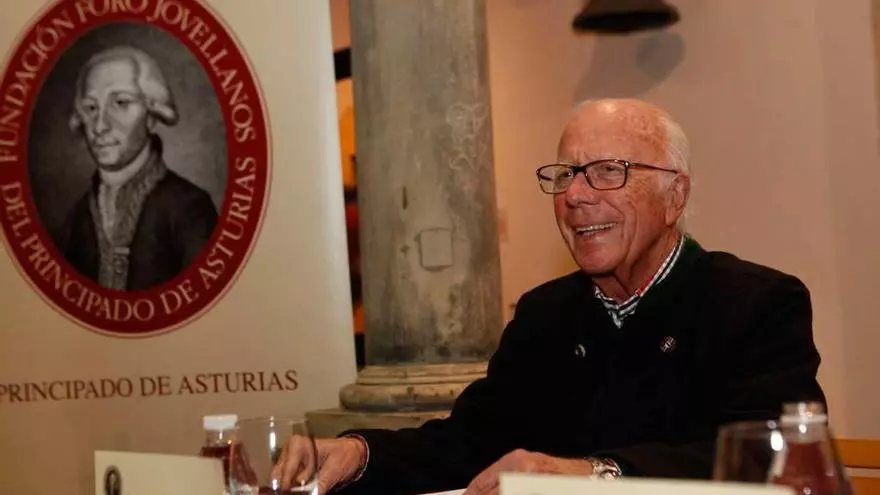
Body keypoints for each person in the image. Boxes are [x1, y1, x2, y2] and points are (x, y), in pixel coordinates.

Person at [276, 99, 826, 495]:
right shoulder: (546, 314)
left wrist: (591, 474)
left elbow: (769, 458)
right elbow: (469, 441)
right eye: (565, 175)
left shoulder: (755, 304)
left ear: (674, 195)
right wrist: (357, 453)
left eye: (608, 171)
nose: (575, 195)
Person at [62, 46, 218, 291]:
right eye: (91, 108)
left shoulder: (190, 209)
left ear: (152, 117)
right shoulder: (76, 218)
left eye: (120, 103)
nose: (100, 126)